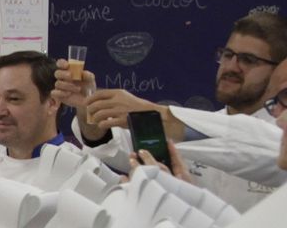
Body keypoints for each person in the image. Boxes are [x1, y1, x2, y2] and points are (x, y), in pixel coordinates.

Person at [66, 12, 287, 211]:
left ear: (279, 70)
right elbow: (114, 147)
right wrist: (87, 105)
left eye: (248, 60)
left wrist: (150, 113)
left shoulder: (277, 137)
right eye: (228, 55)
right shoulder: (190, 126)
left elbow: (246, 142)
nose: (231, 66)